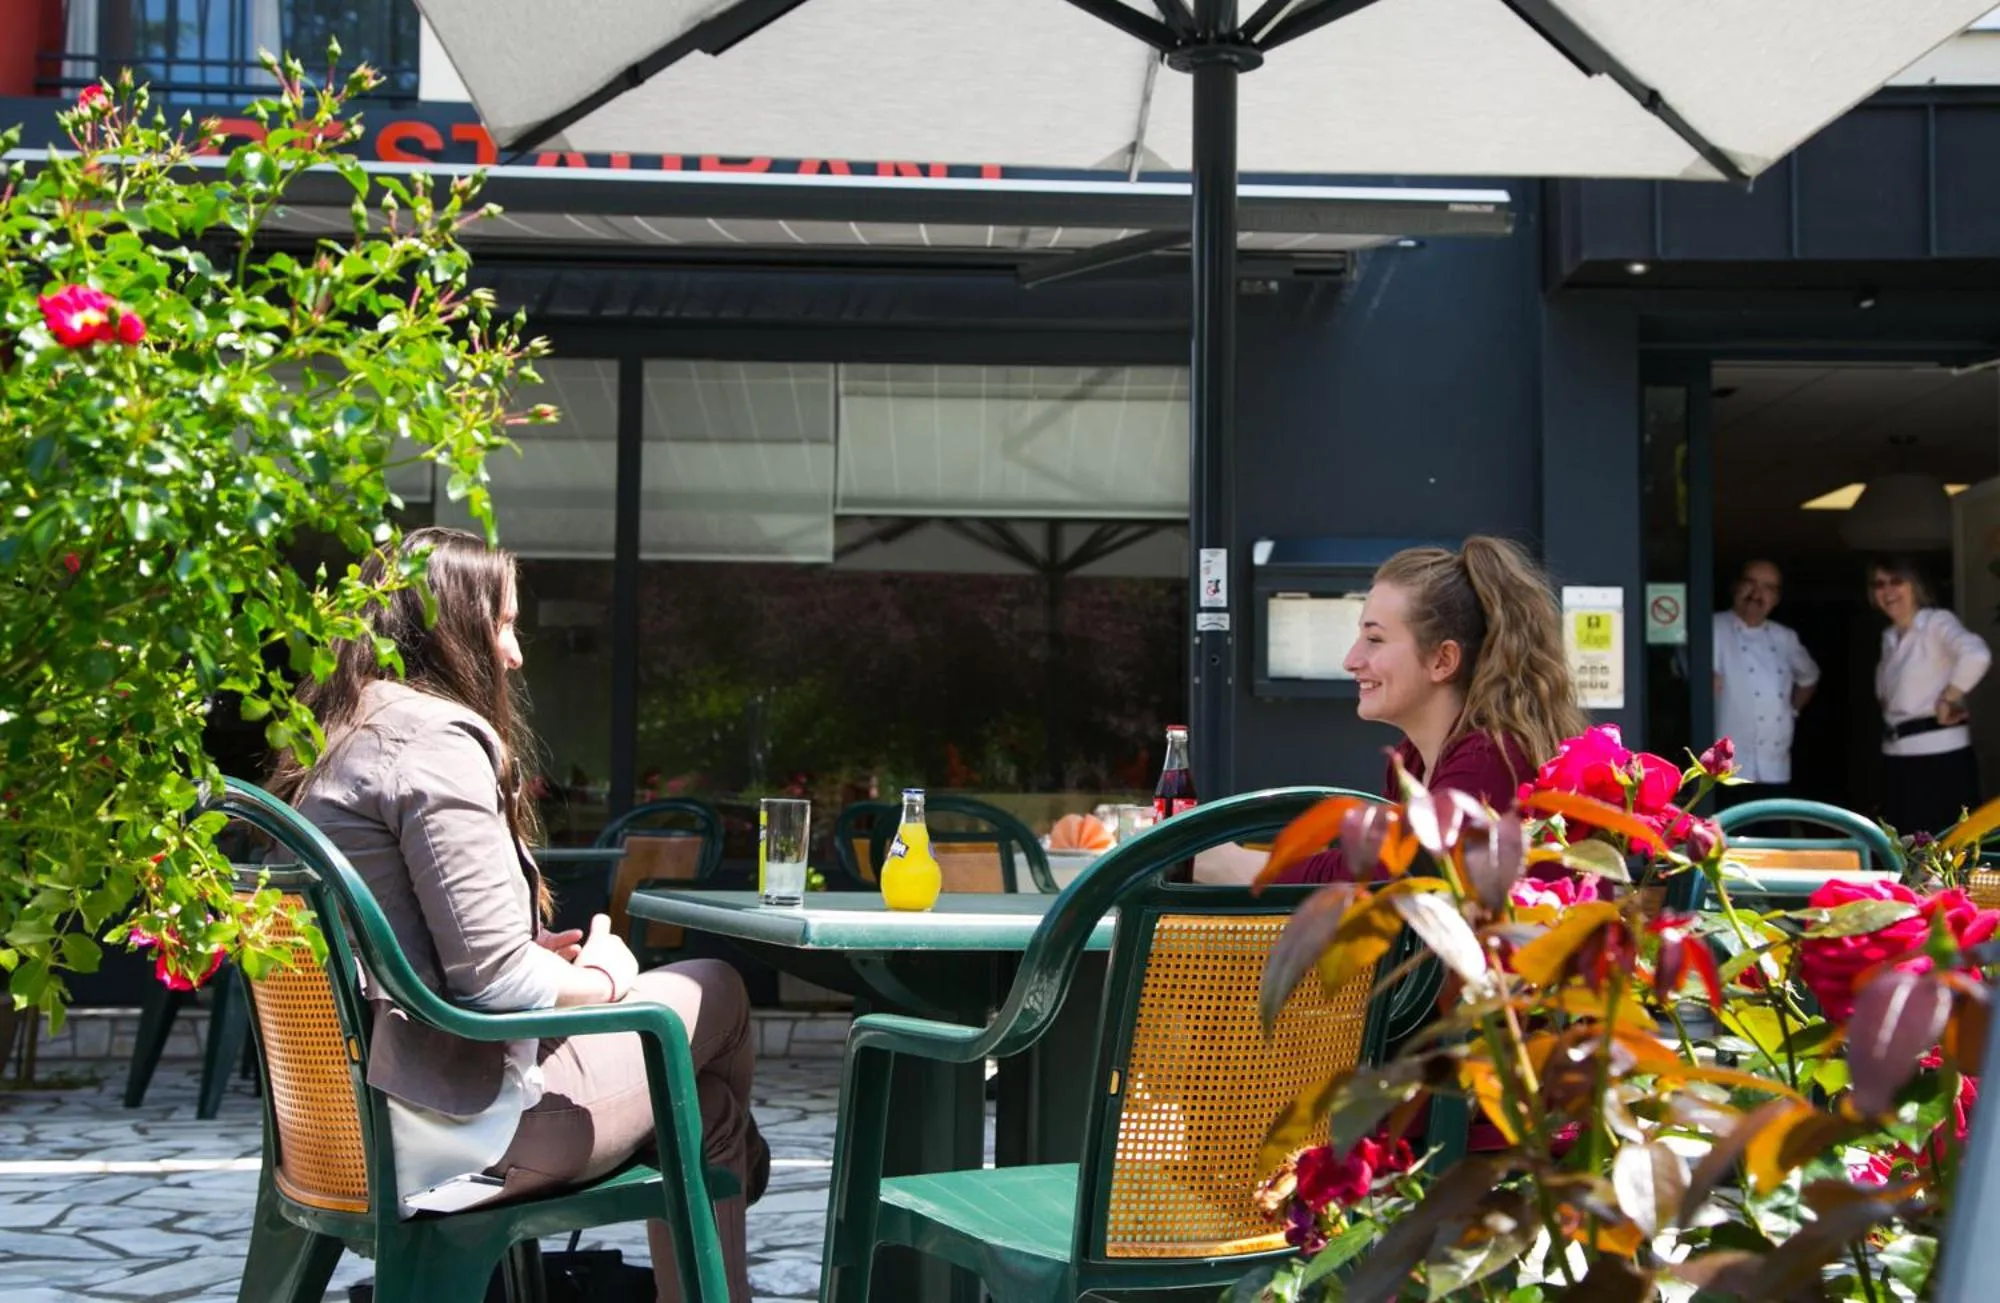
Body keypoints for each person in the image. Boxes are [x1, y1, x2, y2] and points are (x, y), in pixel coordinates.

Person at [271, 527, 764, 1303]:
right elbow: (495, 980)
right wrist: (603, 974)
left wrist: (537, 955)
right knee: (719, 990)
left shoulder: (339, 733)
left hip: (355, 1123)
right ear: (451, 626)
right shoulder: (432, 738)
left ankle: (732, 1149)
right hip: (467, 1125)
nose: (515, 653)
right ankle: (746, 1166)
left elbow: (422, 940)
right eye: (502, 624)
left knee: (706, 1111)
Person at [1194, 537, 1590, 884]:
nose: (1351, 659)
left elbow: (1386, 877)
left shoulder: (1491, 760)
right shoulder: (1413, 760)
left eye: (1375, 639)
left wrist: (1239, 868)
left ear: (1442, 660)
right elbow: (1370, 868)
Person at [1872, 555, 1992, 837]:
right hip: (1897, 759)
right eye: (1879, 584)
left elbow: (1977, 654)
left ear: (1915, 586)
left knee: (1946, 852)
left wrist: (1948, 698)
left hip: (1940, 758)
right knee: (1905, 850)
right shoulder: (1889, 637)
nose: (1887, 591)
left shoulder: (1936, 622)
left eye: (1896, 581)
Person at [1711, 559, 1819, 807]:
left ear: (1776, 598)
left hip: (1775, 765)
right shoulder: (1712, 627)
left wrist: (1792, 710)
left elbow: (1809, 676)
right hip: (1726, 769)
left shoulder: (1785, 638)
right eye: (1750, 584)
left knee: (1772, 839)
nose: (1757, 594)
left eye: (1768, 588)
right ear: (1736, 587)